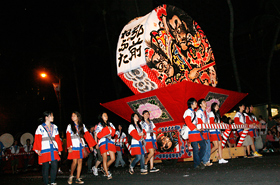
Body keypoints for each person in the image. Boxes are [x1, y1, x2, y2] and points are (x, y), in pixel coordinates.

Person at [33, 111, 63, 185]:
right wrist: (38, 150)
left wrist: (59, 149)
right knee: (45, 167)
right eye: (51, 116)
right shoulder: (40, 127)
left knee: (54, 165)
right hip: (44, 149)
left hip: (53, 149)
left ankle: (52, 181)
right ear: (46, 117)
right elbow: (37, 139)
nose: (53, 117)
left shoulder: (55, 127)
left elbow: (57, 138)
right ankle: (46, 182)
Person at [66, 111, 96, 184]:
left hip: (81, 146)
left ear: (78, 117)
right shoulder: (70, 126)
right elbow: (68, 136)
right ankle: (71, 175)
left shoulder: (82, 125)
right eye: (72, 116)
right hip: (73, 146)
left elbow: (87, 135)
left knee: (80, 162)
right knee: (74, 162)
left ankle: (77, 178)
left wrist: (91, 145)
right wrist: (69, 147)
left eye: (74, 116)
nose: (72, 117)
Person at [183, 98, 206, 169]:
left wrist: (201, 127)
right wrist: (196, 128)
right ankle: (197, 164)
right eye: (195, 102)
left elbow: (197, 122)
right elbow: (188, 122)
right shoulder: (188, 111)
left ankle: (198, 161)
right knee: (196, 149)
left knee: (203, 146)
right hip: (192, 132)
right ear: (191, 104)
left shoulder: (194, 112)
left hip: (197, 132)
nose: (196, 104)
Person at [95, 112, 116, 180]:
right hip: (103, 141)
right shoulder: (100, 125)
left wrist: (109, 129)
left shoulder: (110, 124)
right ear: (101, 117)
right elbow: (98, 134)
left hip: (110, 140)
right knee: (105, 158)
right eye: (104, 115)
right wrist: (107, 129)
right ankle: (107, 173)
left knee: (113, 158)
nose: (106, 116)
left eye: (106, 115)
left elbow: (113, 133)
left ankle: (104, 168)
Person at [196, 99, 212, 167]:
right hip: (202, 131)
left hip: (206, 131)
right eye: (204, 102)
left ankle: (207, 160)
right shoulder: (199, 112)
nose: (205, 103)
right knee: (205, 146)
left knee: (208, 146)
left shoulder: (206, 112)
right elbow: (199, 121)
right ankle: (204, 161)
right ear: (200, 105)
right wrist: (204, 125)